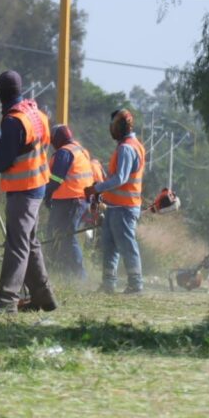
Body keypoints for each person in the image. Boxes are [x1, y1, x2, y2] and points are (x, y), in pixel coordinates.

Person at [0, 70, 58, 314]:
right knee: (30, 242)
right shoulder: (35, 114)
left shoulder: (12, 120)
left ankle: (7, 300)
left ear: (0, 92)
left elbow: (8, 154)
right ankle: (43, 296)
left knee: (17, 245)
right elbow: (19, 143)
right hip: (38, 185)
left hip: (24, 189)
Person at [84, 109, 145, 295]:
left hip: (124, 208)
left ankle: (135, 285)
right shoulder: (131, 145)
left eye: (113, 125)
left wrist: (97, 188)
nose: (111, 129)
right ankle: (108, 284)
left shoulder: (126, 148)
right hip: (115, 206)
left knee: (127, 246)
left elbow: (120, 178)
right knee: (109, 246)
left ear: (119, 126)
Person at [44, 124, 94, 280]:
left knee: (66, 236)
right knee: (58, 234)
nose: (52, 144)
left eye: (53, 140)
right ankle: (61, 271)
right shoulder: (81, 150)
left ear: (58, 139)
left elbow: (57, 178)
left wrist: (46, 194)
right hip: (80, 200)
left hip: (71, 201)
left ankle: (80, 276)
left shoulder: (64, 152)